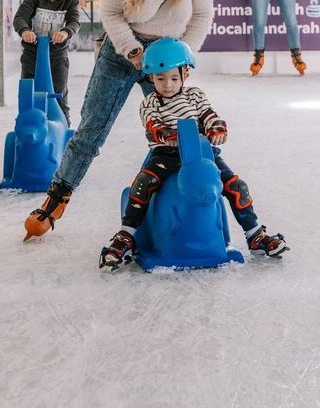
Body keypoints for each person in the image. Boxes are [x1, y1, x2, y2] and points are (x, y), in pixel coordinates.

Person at [22, 0, 214, 242]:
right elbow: (110, 13)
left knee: (178, 129)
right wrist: (135, 50)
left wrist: (182, 56)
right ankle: (59, 195)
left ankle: (183, 203)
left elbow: (201, 15)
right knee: (92, 129)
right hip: (123, 52)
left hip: (169, 59)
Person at [99, 38, 288, 269]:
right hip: (166, 155)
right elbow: (152, 126)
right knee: (143, 183)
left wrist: (216, 128)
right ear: (151, 78)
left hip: (202, 153)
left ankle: (254, 234)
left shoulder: (195, 96)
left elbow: (209, 114)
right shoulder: (150, 102)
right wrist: (166, 134)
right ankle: (126, 235)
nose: (167, 85)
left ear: (185, 75)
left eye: (174, 78)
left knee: (236, 186)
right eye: (160, 79)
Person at [13, 0, 80, 125]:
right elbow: (20, 18)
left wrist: (65, 32)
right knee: (28, 89)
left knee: (59, 91)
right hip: (32, 54)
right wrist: (25, 30)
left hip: (57, 55)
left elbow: (74, 22)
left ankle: (64, 124)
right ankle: (26, 122)